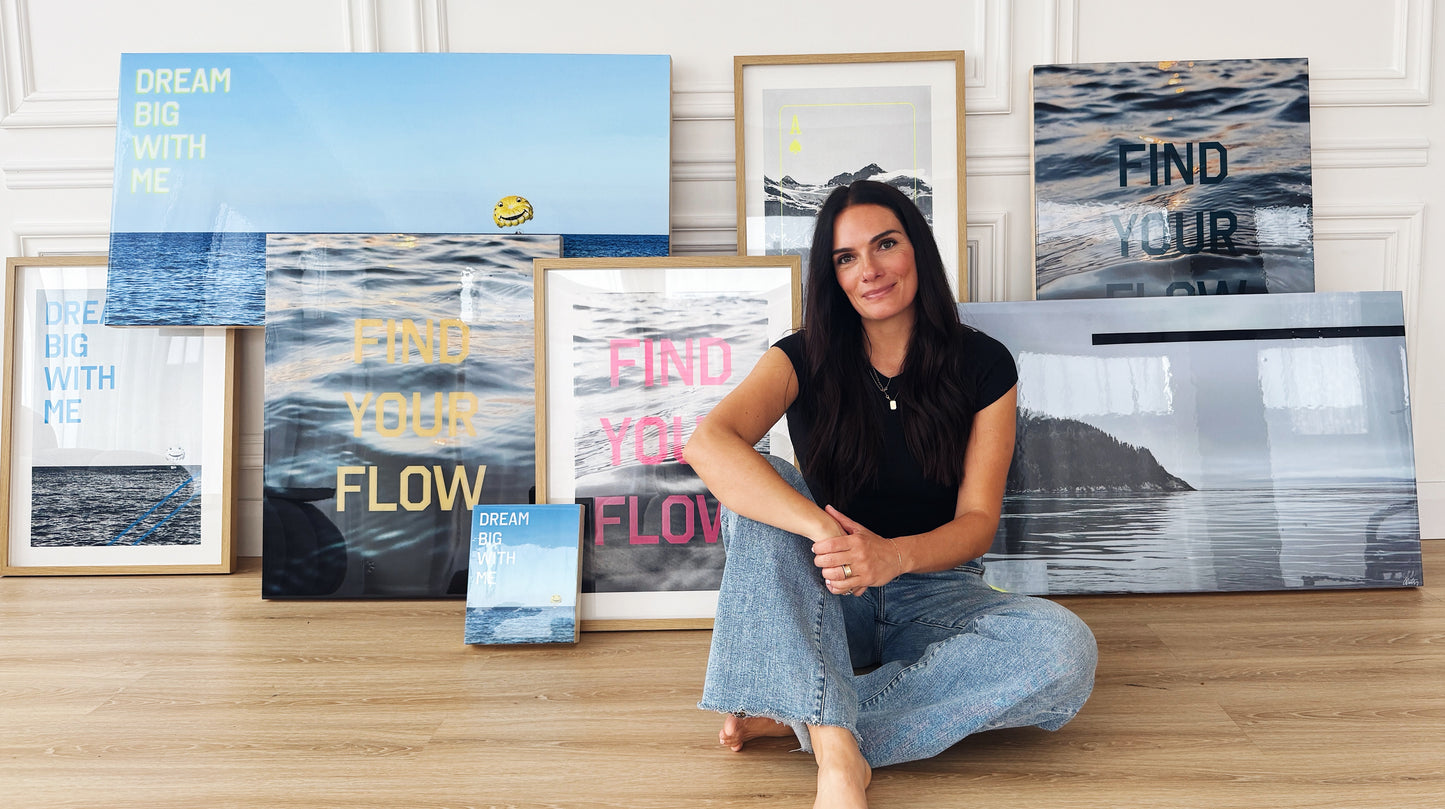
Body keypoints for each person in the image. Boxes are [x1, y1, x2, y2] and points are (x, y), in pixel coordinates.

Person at [685, 180, 1097, 808]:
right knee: (764, 482)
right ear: (832, 276)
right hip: (828, 591)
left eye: (885, 245)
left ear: (917, 251)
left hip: (938, 592)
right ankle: (840, 760)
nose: (869, 271)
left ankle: (810, 717)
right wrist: (830, 535)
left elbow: (980, 521)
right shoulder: (799, 357)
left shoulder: (984, 364)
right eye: (846, 258)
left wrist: (894, 557)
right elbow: (709, 444)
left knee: (1064, 652)